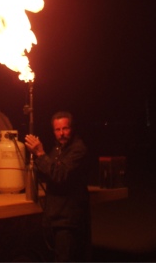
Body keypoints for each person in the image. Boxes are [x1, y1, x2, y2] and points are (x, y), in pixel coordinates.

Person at [25, 111, 91, 262]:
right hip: (53, 217)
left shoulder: (78, 149)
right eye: (57, 130)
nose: (61, 133)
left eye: (65, 129)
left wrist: (40, 154)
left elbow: (59, 175)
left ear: (72, 129)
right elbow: (48, 171)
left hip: (68, 221)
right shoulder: (56, 150)